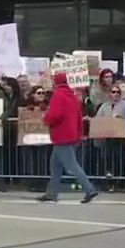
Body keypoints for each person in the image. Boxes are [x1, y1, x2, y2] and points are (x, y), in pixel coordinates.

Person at [36, 72, 98, 203]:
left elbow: (55, 115)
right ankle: (51, 193)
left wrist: (46, 119)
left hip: (61, 135)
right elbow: (78, 116)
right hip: (71, 134)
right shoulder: (72, 96)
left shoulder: (58, 95)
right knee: (55, 166)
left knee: (72, 165)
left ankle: (89, 189)